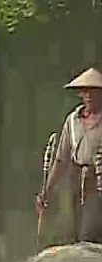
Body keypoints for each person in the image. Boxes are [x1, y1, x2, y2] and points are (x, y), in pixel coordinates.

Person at [38, 67, 102, 242]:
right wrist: (46, 192)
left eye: (93, 91)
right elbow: (61, 159)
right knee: (74, 233)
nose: (89, 95)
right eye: (85, 91)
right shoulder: (73, 121)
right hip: (76, 180)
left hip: (97, 181)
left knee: (90, 234)